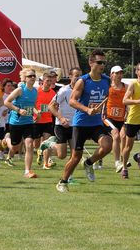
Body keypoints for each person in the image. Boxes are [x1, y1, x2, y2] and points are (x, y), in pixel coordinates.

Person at [56, 50, 112, 193]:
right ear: (91, 63)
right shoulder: (83, 81)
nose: (102, 65)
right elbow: (72, 101)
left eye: (104, 63)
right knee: (76, 157)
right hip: (81, 123)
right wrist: (87, 109)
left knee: (107, 145)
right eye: (99, 62)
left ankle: (88, 163)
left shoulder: (106, 80)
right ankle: (62, 182)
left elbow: (108, 96)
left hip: (96, 123)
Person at [3, 68, 39, 179]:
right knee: (15, 148)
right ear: (25, 79)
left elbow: (32, 105)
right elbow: (6, 102)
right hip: (16, 122)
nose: (32, 77)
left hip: (28, 122)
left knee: (29, 144)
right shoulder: (19, 90)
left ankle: (27, 171)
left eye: (34, 76)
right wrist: (18, 110)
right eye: (30, 76)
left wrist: (37, 113)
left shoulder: (35, 91)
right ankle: (6, 140)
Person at [43, 67, 81, 169]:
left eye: (80, 76)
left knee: (75, 153)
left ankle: (69, 175)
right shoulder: (64, 90)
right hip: (61, 125)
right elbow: (51, 106)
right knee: (61, 155)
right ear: (70, 76)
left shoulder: (82, 90)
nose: (78, 78)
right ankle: (49, 144)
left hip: (75, 125)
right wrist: (61, 118)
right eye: (76, 76)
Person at [105, 65, 128, 173]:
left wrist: (128, 112)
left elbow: (129, 101)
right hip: (108, 118)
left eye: (121, 73)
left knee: (123, 137)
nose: (119, 75)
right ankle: (117, 162)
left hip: (122, 118)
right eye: (117, 73)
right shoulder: (107, 87)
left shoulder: (126, 87)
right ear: (111, 75)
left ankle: (123, 159)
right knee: (116, 135)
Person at [34, 71, 57, 169]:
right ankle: (39, 151)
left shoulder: (53, 93)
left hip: (48, 120)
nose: (49, 83)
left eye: (51, 81)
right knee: (36, 144)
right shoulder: (36, 91)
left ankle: (46, 163)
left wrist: (54, 108)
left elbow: (55, 106)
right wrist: (36, 112)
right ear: (42, 81)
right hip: (37, 120)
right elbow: (32, 104)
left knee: (46, 142)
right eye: (47, 81)